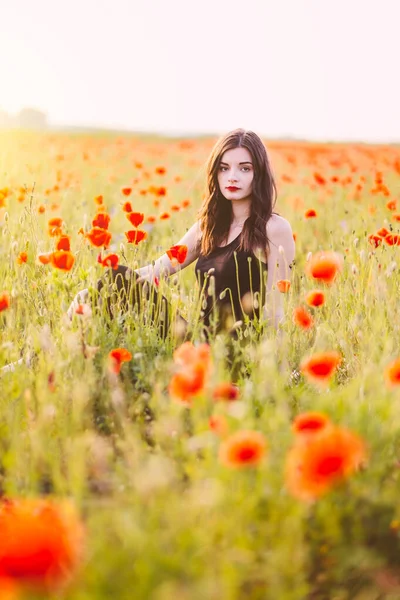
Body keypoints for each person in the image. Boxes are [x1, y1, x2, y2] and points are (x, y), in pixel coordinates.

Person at [67, 128, 295, 347]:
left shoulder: (274, 228)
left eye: (244, 168)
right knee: (118, 276)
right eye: (224, 168)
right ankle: (83, 352)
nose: (232, 177)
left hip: (240, 354)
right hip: (197, 344)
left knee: (118, 280)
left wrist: (276, 374)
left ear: (259, 173)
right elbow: (157, 269)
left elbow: (275, 311)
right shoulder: (208, 226)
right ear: (215, 173)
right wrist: (97, 291)